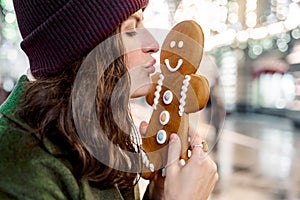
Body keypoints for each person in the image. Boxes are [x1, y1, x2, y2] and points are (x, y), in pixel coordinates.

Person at [0, 0, 218, 199]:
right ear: (84, 46)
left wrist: (158, 194)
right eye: (131, 30)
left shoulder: (99, 123)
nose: (153, 44)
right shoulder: (19, 170)